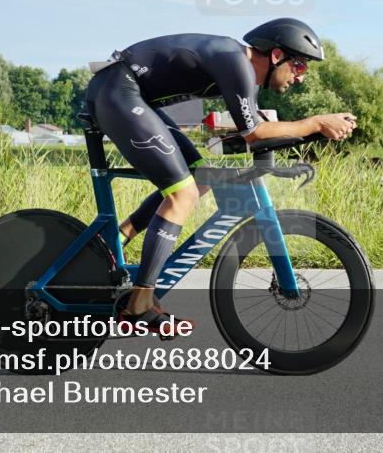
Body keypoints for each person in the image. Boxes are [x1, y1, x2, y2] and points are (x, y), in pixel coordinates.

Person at [84, 17, 356, 333]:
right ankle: (139, 303)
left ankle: (111, 243)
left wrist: (312, 132)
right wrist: (316, 123)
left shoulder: (241, 73)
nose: (300, 78)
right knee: (181, 194)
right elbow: (255, 133)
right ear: (277, 56)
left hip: (127, 93)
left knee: (201, 177)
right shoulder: (236, 62)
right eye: (299, 66)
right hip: (118, 91)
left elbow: (251, 131)